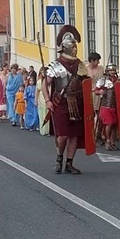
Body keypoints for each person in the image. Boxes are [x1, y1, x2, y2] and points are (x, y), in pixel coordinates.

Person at [45, 26, 87, 174]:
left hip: (77, 101)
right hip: (61, 102)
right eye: (71, 47)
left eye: (75, 47)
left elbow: (86, 83)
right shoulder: (55, 65)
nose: (74, 50)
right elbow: (45, 84)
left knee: (74, 134)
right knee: (62, 135)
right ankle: (59, 158)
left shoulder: (80, 64)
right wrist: (47, 100)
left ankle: (69, 163)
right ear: (64, 48)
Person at [95, 65, 120, 150]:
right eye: (110, 70)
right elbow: (96, 90)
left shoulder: (118, 81)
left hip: (116, 106)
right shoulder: (103, 80)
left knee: (114, 125)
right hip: (106, 105)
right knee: (109, 124)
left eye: (113, 70)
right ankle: (108, 141)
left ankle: (113, 142)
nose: (112, 72)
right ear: (107, 71)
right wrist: (100, 92)